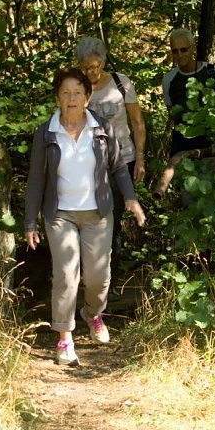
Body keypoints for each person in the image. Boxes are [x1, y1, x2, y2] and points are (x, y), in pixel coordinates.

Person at [24, 67, 146, 366]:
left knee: (98, 279)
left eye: (78, 93)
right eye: (65, 93)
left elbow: (118, 167)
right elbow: (36, 179)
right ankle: (64, 338)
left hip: (98, 213)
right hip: (60, 214)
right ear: (57, 97)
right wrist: (30, 222)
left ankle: (92, 314)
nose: (72, 98)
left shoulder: (101, 128)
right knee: (66, 275)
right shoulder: (46, 132)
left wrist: (130, 198)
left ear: (87, 98)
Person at [75, 36, 146, 294]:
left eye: (95, 66)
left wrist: (140, 157)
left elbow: (137, 122)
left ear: (103, 62)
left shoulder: (120, 83)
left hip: (121, 162)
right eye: (86, 68)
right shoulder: (76, 88)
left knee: (111, 223)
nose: (91, 72)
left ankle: (110, 284)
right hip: (86, 166)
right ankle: (88, 282)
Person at [161, 28, 215, 156]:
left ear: (193, 48)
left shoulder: (213, 72)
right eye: (175, 51)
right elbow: (172, 112)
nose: (180, 55)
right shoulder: (169, 80)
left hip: (213, 140)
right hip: (183, 142)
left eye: (183, 49)